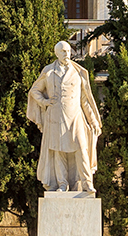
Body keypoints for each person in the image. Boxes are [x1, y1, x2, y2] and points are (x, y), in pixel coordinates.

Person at [26, 39, 102, 192]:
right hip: (55, 117)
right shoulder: (49, 71)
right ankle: (62, 184)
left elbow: (84, 100)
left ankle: (87, 183)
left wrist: (93, 121)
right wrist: (44, 102)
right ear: (57, 53)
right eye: (63, 51)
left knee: (81, 148)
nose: (67, 54)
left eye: (68, 51)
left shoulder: (78, 72)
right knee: (58, 151)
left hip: (75, 117)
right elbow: (34, 91)